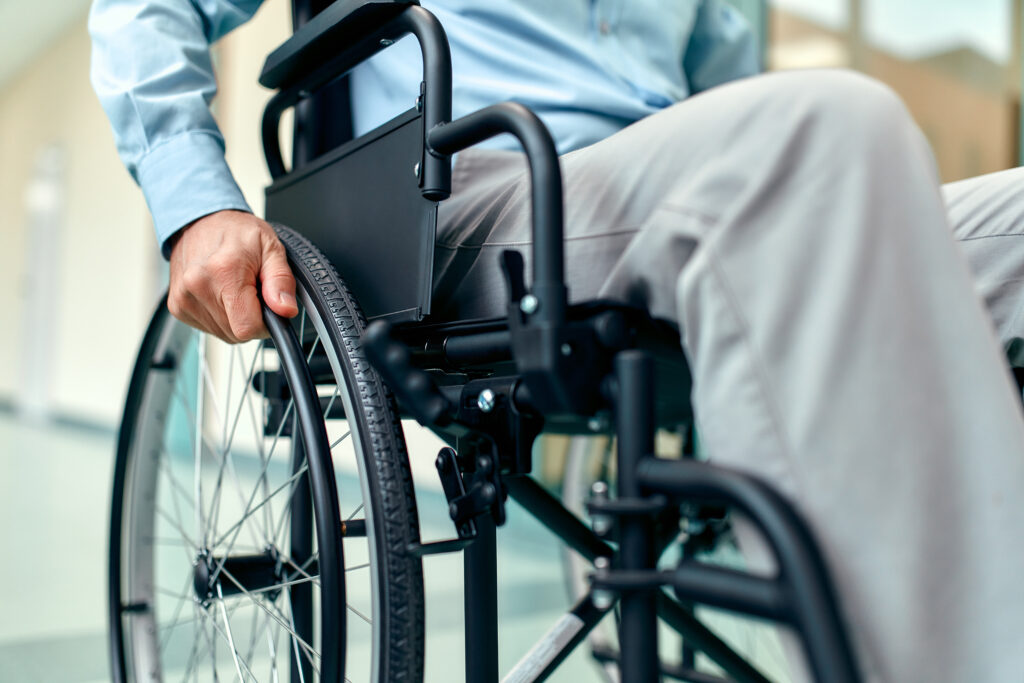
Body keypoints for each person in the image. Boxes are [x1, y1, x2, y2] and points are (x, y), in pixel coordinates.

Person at [89, 0, 1024, 679]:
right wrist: (198, 205)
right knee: (833, 124)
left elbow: (731, 96)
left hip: (653, 180)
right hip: (461, 187)